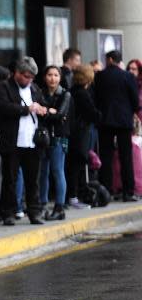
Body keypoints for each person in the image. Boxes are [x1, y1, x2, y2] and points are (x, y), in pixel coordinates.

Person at [0, 57, 48, 226]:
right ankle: (8, 213)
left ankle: (34, 212)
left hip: (32, 141)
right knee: (10, 179)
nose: (28, 80)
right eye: (25, 76)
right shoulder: (4, 87)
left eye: (31, 77)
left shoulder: (34, 88)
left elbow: (43, 104)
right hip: (12, 141)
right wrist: (26, 109)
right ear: (16, 73)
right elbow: (3, 107)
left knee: (33, 180)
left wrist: (43, 109)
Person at [94, 50, 140, 201]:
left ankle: (107, 190)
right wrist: (131, 112)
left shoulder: (100, 76)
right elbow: (135, 100)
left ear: (110, 60)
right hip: (124, 121)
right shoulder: (128, 76)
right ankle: (128, 191)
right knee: (126, 157)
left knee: (105, 157)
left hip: (105, 121)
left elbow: (96, 98)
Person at [38, 66, 72, 220]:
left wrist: (48, 112)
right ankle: (43, 204)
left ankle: (59, 207)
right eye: (49, 75)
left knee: (57, 171)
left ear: (60, 77)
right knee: (42, 172)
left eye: (56, 75)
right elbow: (40, 114)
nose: (52, 78)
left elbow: (60, 115)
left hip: (58, 137)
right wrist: (49, 112)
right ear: (45, 77)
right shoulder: (40, 93)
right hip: (42, 137)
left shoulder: (65, 94)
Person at [66, 65, 102, 208]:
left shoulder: (72, 90)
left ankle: (74, 195)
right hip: (80, 134)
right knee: (77, 165)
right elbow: (93, 113)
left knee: (74, 165)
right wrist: (100, 115)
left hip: (74, 133)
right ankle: (74, 197)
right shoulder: (82, 93)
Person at [126, 59, 142, 125]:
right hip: (128, 119)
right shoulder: (125, 83)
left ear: (139, 71)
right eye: (129, 68)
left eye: (133, 69)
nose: (130, 71)